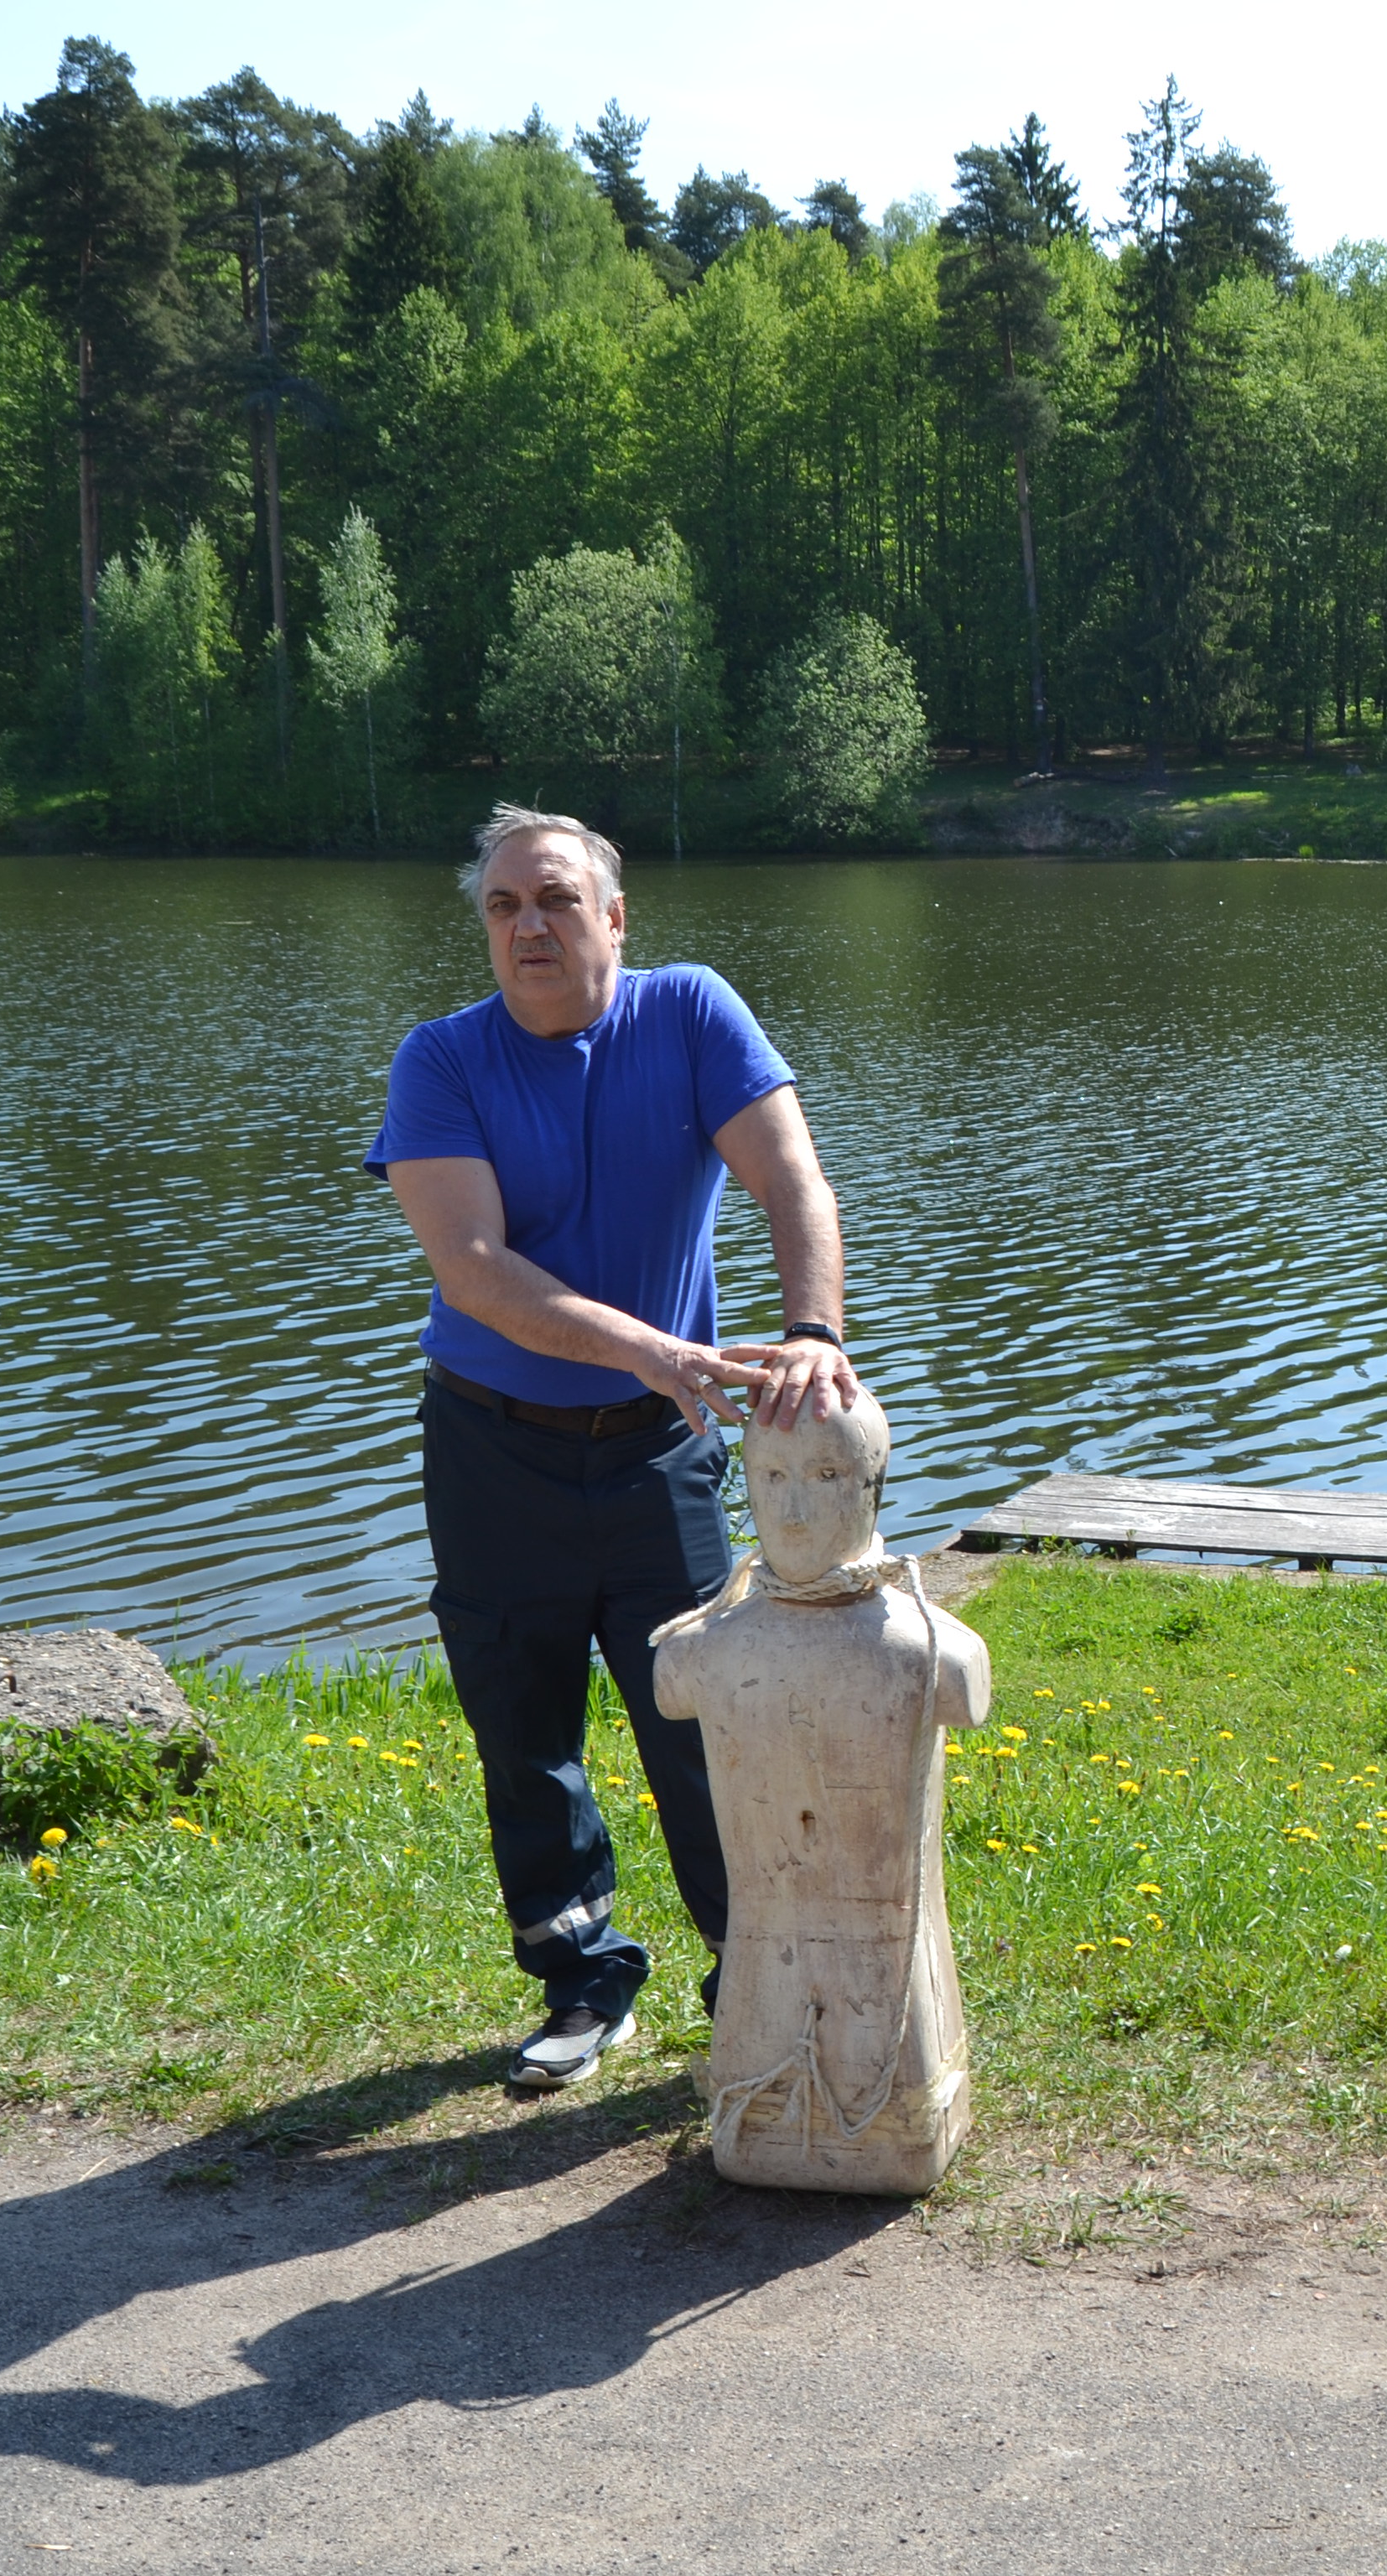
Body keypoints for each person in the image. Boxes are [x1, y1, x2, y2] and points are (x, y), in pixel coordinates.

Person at [366, 804, 862, 2091]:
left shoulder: (691, 1013)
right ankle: (584, 1976)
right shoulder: (441, 1061)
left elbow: (793, 1177)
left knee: (704, 1718)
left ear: (616, 917)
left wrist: (809, 1331)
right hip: (491, 1447)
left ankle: (749, 1980)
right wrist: (657, 1348)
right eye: (503, 908)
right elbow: (473, 1270)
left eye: (556, 900)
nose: (528, 927)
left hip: (659, 1453)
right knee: (520, 1722)